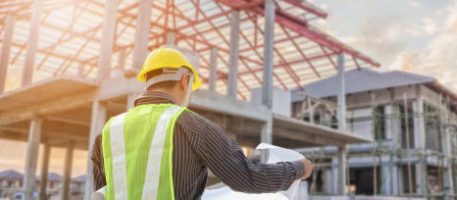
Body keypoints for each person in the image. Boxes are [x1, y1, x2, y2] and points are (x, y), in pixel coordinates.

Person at [91, 47, 313, 200]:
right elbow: (247, 177)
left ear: (147, 81)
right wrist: (298, 168)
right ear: (184, 80)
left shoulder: (109, 131)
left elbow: (103, 191)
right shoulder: (193, 125)